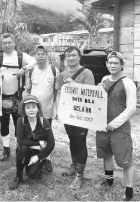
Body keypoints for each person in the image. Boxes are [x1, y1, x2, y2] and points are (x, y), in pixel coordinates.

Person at [94, 51, 136, 201]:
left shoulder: (128, 83)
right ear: (106, 64)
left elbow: (131, 108)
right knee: (106, 154)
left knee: (125, 160)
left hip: (119, 128)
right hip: (103, 125)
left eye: (116, 63)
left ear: (121, 65)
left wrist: (115, 123)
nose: (112, 65)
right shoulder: (104, 79)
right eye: (110, 63)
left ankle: (129, 190)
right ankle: (109, 181)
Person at [0, 33, 36, 161]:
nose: (7, 45)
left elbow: (34, 61)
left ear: (14, 43)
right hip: (1, 97)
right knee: (3, 124)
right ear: (1, 44)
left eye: (10, 42)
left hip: (17, 97)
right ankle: (6, 149)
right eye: (4, 43)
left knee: (18, 124)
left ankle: (18, 147)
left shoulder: (21, 56)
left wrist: (24, 68)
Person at [58, 46, 95, 189]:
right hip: (68, 113)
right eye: (68, 56)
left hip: (82, 115)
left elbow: (91, 93)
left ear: (79, 57)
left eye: (73, 55)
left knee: (80, 141)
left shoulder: (87, 73)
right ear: (65, 58)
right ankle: (74, 165)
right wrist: (58, 110)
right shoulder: (62, 74)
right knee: (72, 139)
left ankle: (80, 175)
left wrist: (75, 85)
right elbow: (60, 93)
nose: (71, 58)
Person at [9, 95, 55, 190]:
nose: (31, 110)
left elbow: (51, 144)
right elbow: (20, 141)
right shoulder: (20, 121)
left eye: (34, 107)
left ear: (38, 109)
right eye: (28, 107)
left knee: (32, 175)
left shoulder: (44, 122)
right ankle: (18, 176)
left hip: (40, 153)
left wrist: (38, 156)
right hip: (27, 150)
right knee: (22, 149)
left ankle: (39, 165)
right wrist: (40, 144)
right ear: (24, 109)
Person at [25, 45, 59, 172]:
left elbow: (56, 92)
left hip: (47, 110)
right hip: (33, 111)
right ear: (35, 56)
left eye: (43, 53)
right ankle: (36, 156)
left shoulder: (54, 71)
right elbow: (28, 90)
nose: (40, 55)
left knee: (46, 135)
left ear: (47, 56)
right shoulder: (31, 71)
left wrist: (55, 108)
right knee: (34, 133)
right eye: (38, 53)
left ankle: (47, 158)